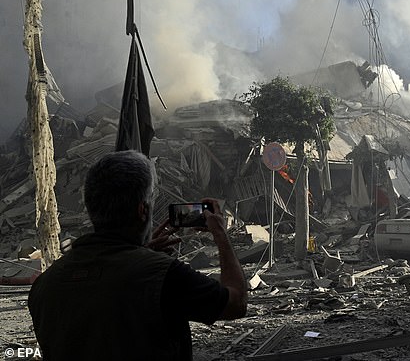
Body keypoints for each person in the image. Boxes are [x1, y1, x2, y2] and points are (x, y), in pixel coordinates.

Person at [28, 150, 247, 360]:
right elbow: (236, 302)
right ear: (143, 210)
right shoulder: (164, 275)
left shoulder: (45, 285)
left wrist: (141, 254)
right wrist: (220, 234)